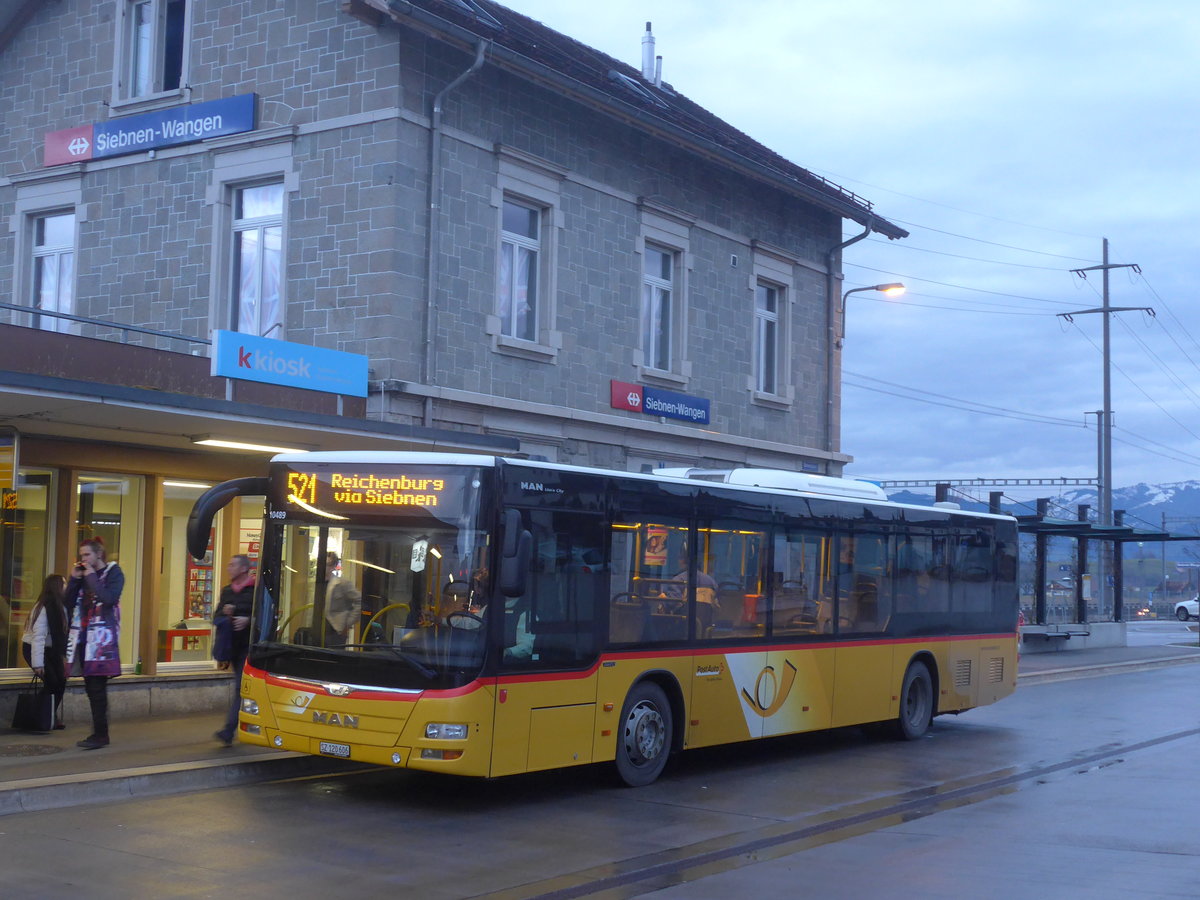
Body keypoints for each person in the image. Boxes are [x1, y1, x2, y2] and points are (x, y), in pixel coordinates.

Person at [64, 537, 124, 750]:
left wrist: (90, 576)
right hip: (83, 639)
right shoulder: (83, 575)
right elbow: (67, 603)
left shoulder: (114, 573)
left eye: (87, 554)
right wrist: (74, 580)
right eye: (81, 555)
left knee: (97, 689)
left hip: (101, 642)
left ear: (99, 554)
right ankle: (99, 733)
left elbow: (108, 598)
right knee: (91, 688)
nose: (84, 559)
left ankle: (101, 734)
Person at [213, 554, 254, 746]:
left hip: (249, 647)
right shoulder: (227, 590)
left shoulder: (255, 590)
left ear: (244, 569)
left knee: (240, 687)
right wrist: (225, 614)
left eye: (232, 565)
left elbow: (267, 617)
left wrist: (249, 621)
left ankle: (229, 730)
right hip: (232, 646)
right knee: (243, 688)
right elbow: (216, 617)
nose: (229, 568)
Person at [22, 574, 68, 729]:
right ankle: (39, 716)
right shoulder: (43, 608)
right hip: (34, 648)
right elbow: (38, 638)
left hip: (51, 650)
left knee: (61, 681)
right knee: (52, 681)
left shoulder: (61, 607)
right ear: (57, 587)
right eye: (64, 584)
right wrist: (38, 664)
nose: (66, 587)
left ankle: (49, 715)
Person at [323, 551, 361, 648]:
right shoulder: (317, 584)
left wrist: (347, 624)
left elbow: (359, 601)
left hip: (335, 632)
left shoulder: (342, 583)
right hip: (318, 629)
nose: (325, 567)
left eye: (328, 564)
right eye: (323, 564)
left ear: (334, 566)